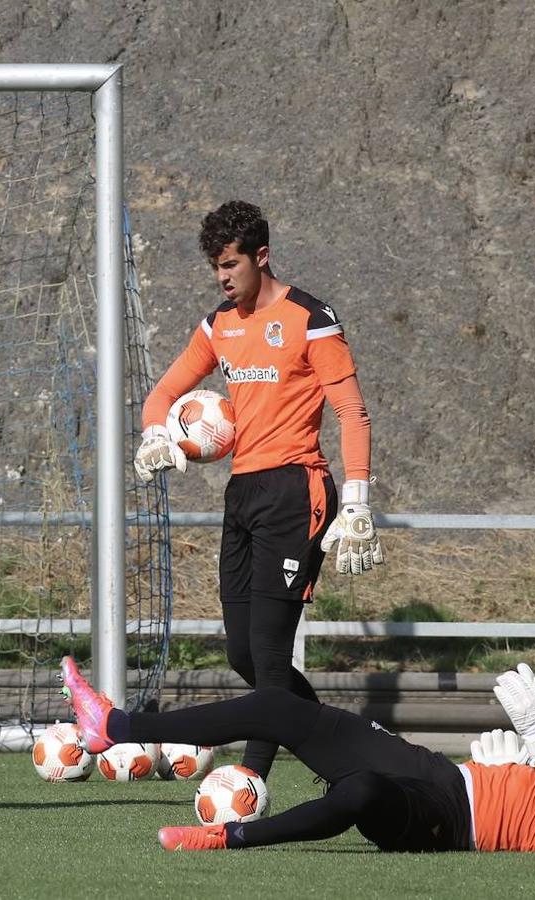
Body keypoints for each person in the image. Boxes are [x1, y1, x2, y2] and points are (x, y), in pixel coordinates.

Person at [133, 200, 383, 781]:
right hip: (243, 492)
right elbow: (161, 395)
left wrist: (357, 501)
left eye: (231, 264)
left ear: (261, 256)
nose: (222, 277)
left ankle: (247, 782)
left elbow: (352, 412)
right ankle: (353, 752)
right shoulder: (218, 325)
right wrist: (155, 434)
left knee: (269, 655)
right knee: (243, 653)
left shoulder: (311, 318)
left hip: (297, 489)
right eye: (216, 267)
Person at [58, 657, 535, 853]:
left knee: (363, 791)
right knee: (281, 706)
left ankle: (227, 837)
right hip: (443, 776)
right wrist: (517, 761)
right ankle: (113, 725)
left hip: (446, 821)